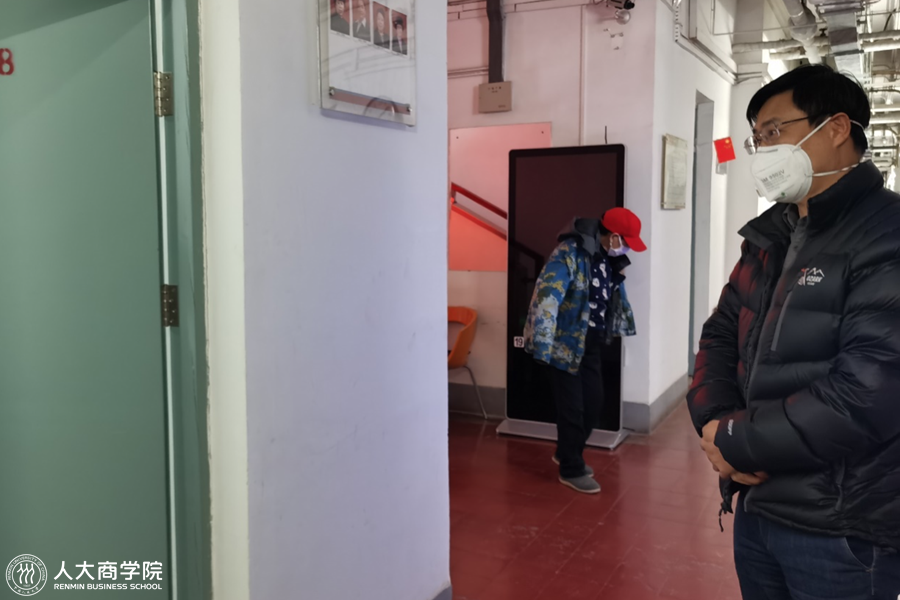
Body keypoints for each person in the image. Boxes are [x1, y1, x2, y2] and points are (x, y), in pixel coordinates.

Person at [687, 64, 900, 599]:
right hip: (757, 506)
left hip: (842, 526)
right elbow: (719, 334)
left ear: (836, 128)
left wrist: (737, 441)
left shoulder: (887, 234)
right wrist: (714, 421)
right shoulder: (771, 235)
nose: (762, 149)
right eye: (756, 137)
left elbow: (868, 391)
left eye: (774, 131)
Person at [524, 209, 646, 494]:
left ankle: (567, 452)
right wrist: (542, 340)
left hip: (590, 344)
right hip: (564, 344)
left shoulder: (607, 258)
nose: (627, 249)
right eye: (625, 242)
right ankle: (571, 468)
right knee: (572, 410)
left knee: (594, 403)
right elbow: (547, 295)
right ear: (613, 236)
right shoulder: (569, 253)